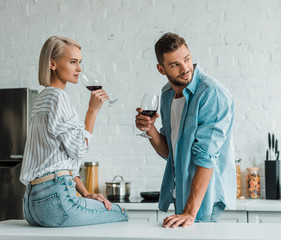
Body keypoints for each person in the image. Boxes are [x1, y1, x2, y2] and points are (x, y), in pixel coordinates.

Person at [20, 36, 128, 227]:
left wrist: (85, 193)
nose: (79, 68)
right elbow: (78, 149)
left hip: (31, 205)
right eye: (72, 62)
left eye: (80, 62)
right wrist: (92, 111)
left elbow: (61, 160)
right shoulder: (58, 98)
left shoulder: (42, 99)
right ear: (52, 63)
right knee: (121, 213)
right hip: (55, 201)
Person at [135, 33, 236, 228]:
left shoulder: (211, 94)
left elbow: (207, 156)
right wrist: (150, 129)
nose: (185, 68)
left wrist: (190, 212)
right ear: (161, 69)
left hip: (204, 199)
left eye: (187, 59)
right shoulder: (166, 95)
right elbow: (169, 152)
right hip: (180, 193)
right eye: (174, 65)